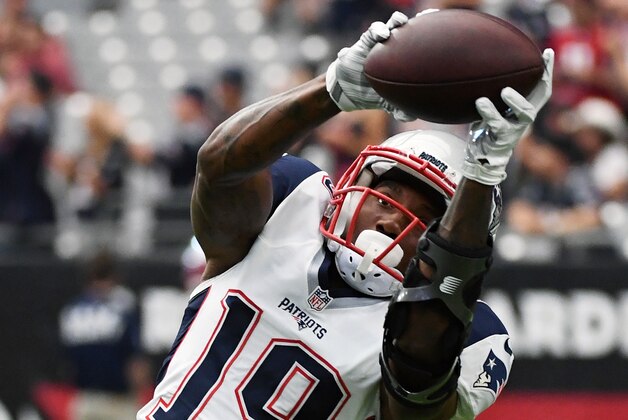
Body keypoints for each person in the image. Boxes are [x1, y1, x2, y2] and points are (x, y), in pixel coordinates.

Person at [138, 10, 553, 419]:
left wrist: (482, 175)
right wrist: (331, 89)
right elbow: (219, 167)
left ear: (453, 240)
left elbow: (416, 406)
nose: (393, 220)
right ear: (355, 187)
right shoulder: (295, 200)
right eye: (387, 195)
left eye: (426, 217)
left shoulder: (472, 332)